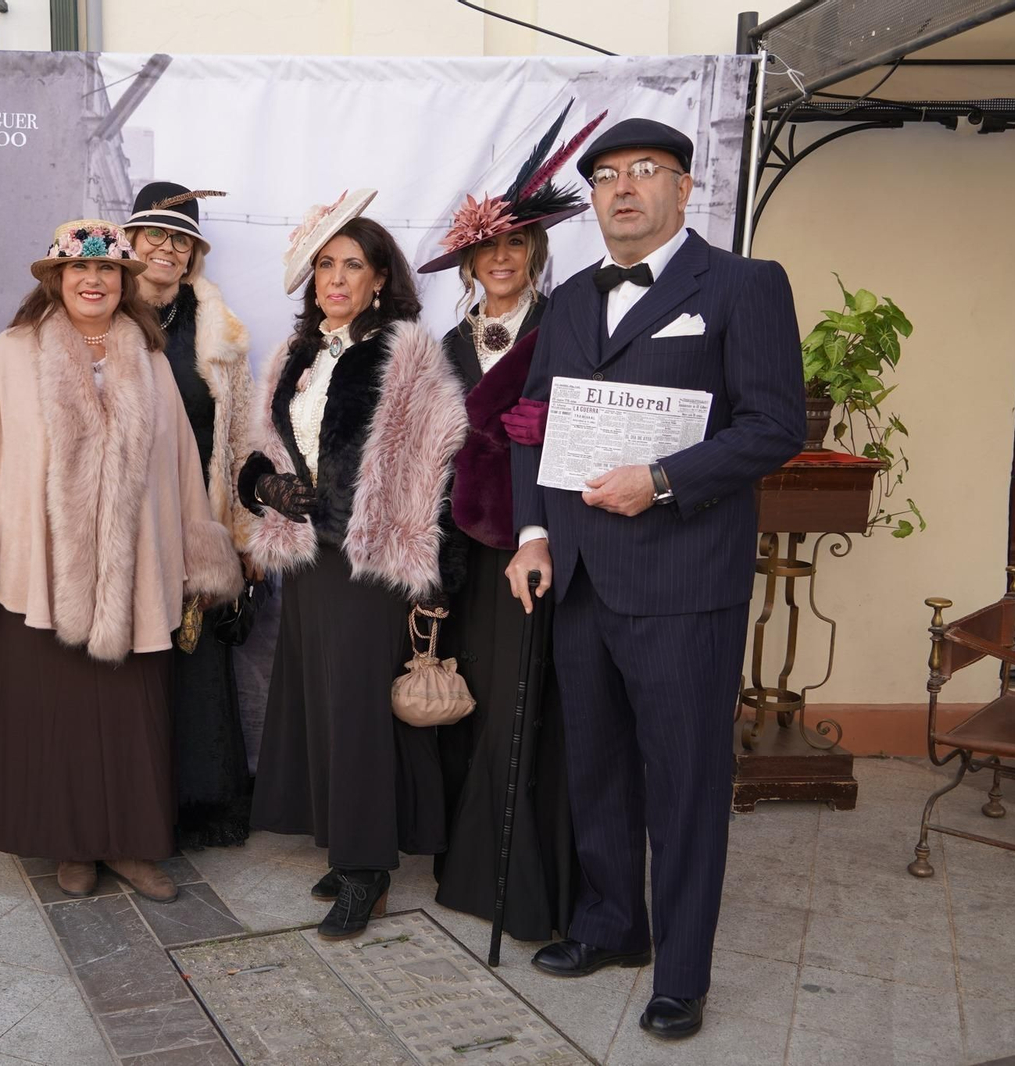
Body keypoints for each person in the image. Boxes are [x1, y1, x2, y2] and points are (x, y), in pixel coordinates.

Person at [505, 118, 805, 1038]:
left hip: (683, 581)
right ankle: (612, 925)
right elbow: (533, 422)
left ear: (684, 187)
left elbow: (772, 426)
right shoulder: (566, 302)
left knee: (683, 781)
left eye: (645, 171)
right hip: (582, 574)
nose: (623, 188)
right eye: (605, 175)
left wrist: (664, 481)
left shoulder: (744, 285)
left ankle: (681, 971)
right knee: (596, 767)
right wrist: (530, 535)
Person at [0, 219, 243, 904]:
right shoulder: (10, 353)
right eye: (79, 271)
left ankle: (129, 846)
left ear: (125, 283)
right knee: (52, 715)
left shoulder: (149, 361)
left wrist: (199, 561)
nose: (94, 281)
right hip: (37, 575)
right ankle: (70, 845)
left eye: (109, 272)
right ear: (55, 279)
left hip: (136, 576)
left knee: (131, 720)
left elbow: (181, 465)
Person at [239, 191, 467, 940]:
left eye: (353, 266)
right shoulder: (294, 354)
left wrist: (345, 512)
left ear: (380, 279)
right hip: (308, 562)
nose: (336, 279)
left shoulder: (405, 352)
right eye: (325, 266)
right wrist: (269, 488)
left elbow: (432, 460)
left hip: (367, 561)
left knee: (361, 714)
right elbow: (262, 450)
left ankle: (367, 871)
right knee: (318, 706)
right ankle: (344, 845)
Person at [416, 103, 603, 936]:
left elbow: (602, 429)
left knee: (537, 706)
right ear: (469, 260)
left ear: (535, 254)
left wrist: (556, 431)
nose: (501, 258)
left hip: (542, 544)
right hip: (463, 551)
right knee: (478, 702)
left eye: (517, 244)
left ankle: (527, 882)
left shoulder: (568, 330)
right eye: (488, 247)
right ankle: (468, 860)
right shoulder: (441, 346)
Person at [123, 182, 256, 849]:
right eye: (156, 234)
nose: (168, 249)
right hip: (122, 523)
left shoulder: (220, 332)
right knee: (128, 668)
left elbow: (241, 439)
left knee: (195, 663)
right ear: (131, 240)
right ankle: (130, 809)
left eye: (181, 238)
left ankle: (200, 803)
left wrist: (244, 532)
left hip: (194, 521)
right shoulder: (101, 314)